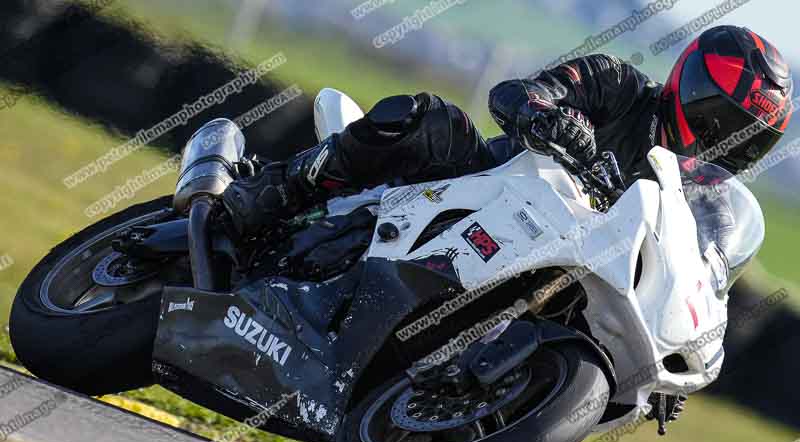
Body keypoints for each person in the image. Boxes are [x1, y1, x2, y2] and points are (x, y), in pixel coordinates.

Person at [223, 25, 793, 236]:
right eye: (722, 119)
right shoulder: (618, 85)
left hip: (561, 261)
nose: (724, 139)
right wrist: (551, 117)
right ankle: (278, 189)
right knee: (428, 118)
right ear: (691, 89)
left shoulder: (706, 203)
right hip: (479, 188)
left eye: (744, 138)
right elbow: (517, 93)